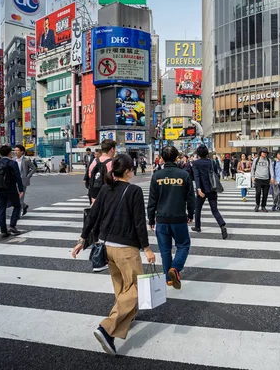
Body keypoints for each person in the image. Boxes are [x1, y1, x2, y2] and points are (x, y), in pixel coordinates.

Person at [72, 154, 156, 356]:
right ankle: (107, 328)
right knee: (135, 288)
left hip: (106, 246)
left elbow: (93, 216)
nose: (134, 171)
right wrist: (146, 248)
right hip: (126, 248)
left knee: (121, 288)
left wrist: (82, 240)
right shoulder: (133, 190)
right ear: (127, 171)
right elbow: (138, 223)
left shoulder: (104, 189)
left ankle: (126, 318)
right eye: (132, 169)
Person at [147, 146, 195, 289]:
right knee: (183, 245)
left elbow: (152, 200)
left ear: (162, 158)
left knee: (165, 250)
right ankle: (175, 268)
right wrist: (191, 214)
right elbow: (190, 198)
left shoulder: (156, 176)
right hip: (179, 217)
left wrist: (150, 218)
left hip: (161, 218)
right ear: (176, 158)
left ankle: (168, 278)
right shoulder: (184, 175)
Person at [191, 145, 228, 239]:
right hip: (212, 189)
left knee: (198, 208)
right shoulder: (212, 162)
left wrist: (198, 188)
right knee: (214, 209)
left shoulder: (196, 163)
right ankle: (222, 225)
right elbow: (215, 174)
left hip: (202, 190)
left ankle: (197, 226)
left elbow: (197, 176)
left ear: (198, 154)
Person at [0, 145, 24, 238]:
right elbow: (18, 177)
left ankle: (3, 231)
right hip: (10, 189)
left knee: (1, 210)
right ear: (10, 153)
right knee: (17, 206)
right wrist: (21, 189)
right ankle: (12, 226)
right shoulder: (12, 163)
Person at [87, 140, 116, 204]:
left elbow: (90, 176)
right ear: (112, 149)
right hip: (109, 197)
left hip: (95, 197)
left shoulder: (94, 162)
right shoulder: (113, 163)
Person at [14, 144, 35, 216]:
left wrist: (28, 176)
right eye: (15, 150)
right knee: (14, 197)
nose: (16, 152)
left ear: (22, 152)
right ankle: (24, 206)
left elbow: (33, 168)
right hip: (14, 181)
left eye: (17, 150)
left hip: (23, 181)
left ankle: (17, 213)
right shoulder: (13, 160)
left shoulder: (26, 160)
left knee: (20, 197)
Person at [251, 148, 272, 212]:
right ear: (260, 153)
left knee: (265, 194)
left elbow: (271, 169)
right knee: (258, 192)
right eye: (263, 152)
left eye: (265, 153)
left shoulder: (269, 160)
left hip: (266, 179)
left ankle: (263, 206)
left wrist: (272, 177)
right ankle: (257, 204)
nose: (264, 154)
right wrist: (252, 177)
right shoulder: (256, 160)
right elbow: (253, 169)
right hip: (258, 179)